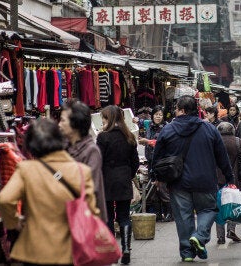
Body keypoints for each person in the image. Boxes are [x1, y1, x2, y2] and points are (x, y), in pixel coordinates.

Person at [0, 119, 99, 265]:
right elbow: (91, 211)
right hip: (70, 249)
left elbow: (5, 200)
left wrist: (15, 222)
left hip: (35, 249)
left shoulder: (27, 169)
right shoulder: (81, 171)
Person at [152, 95, 234, 262]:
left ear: (181, 110)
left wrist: (156, 176)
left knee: (183, 216)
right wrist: (229, 177)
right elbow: (222, 156)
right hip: (205, 180)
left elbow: (157, 156)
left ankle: (187, 252)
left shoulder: (167, 130)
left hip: (178, 182)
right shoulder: (209, 128)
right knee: (209, 209)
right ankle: (200, 236)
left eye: (176, 109)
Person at [97, 105, 139, 265]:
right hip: (123, 180)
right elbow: (135, 162)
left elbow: (98, 160)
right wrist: (129, 174)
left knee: (107, 216)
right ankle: (126, 248)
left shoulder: (103, 137)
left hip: (107, 180)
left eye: (104, 118)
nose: (102, 121)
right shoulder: (129, 137)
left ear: (110, 119)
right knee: (123, 216)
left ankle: (111, 250)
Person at [58, 100, 107, 222]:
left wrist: (57, 177)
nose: (59, 124)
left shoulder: (91, 151)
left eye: (63, 120)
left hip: (86, 218)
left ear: (76, 124)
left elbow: (90, 188)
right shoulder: (63, 147)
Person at [137, 105, 173, 222]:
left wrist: (147, 141)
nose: (158, 117)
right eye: (156, 114)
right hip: (151, 161)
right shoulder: (150, 126)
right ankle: (157, 213)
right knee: (153, 189)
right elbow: (141, 122)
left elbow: (163, 143)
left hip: (163, 162)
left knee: (162, 188)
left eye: (160, 115)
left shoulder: (167, 127)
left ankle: (169, 213)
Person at [215, 122, 241, 244]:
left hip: (216, 179)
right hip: (232, 179)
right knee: (232, 205)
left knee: (218, 207)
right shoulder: (238, 142)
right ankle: (231, 229)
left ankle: (220, 236)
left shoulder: (214, 141)